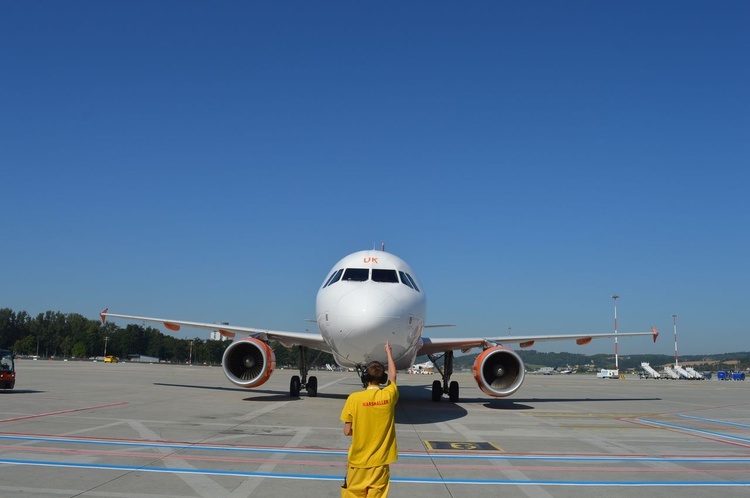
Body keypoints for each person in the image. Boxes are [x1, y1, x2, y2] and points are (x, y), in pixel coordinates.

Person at [340, 341, 398, 497]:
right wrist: (389, 353)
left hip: (358, 463)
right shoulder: (388, 395)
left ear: (364, 377)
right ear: (383, 378)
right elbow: (393, 376)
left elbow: (347, 431)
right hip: (380, 463)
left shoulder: (354, 398)